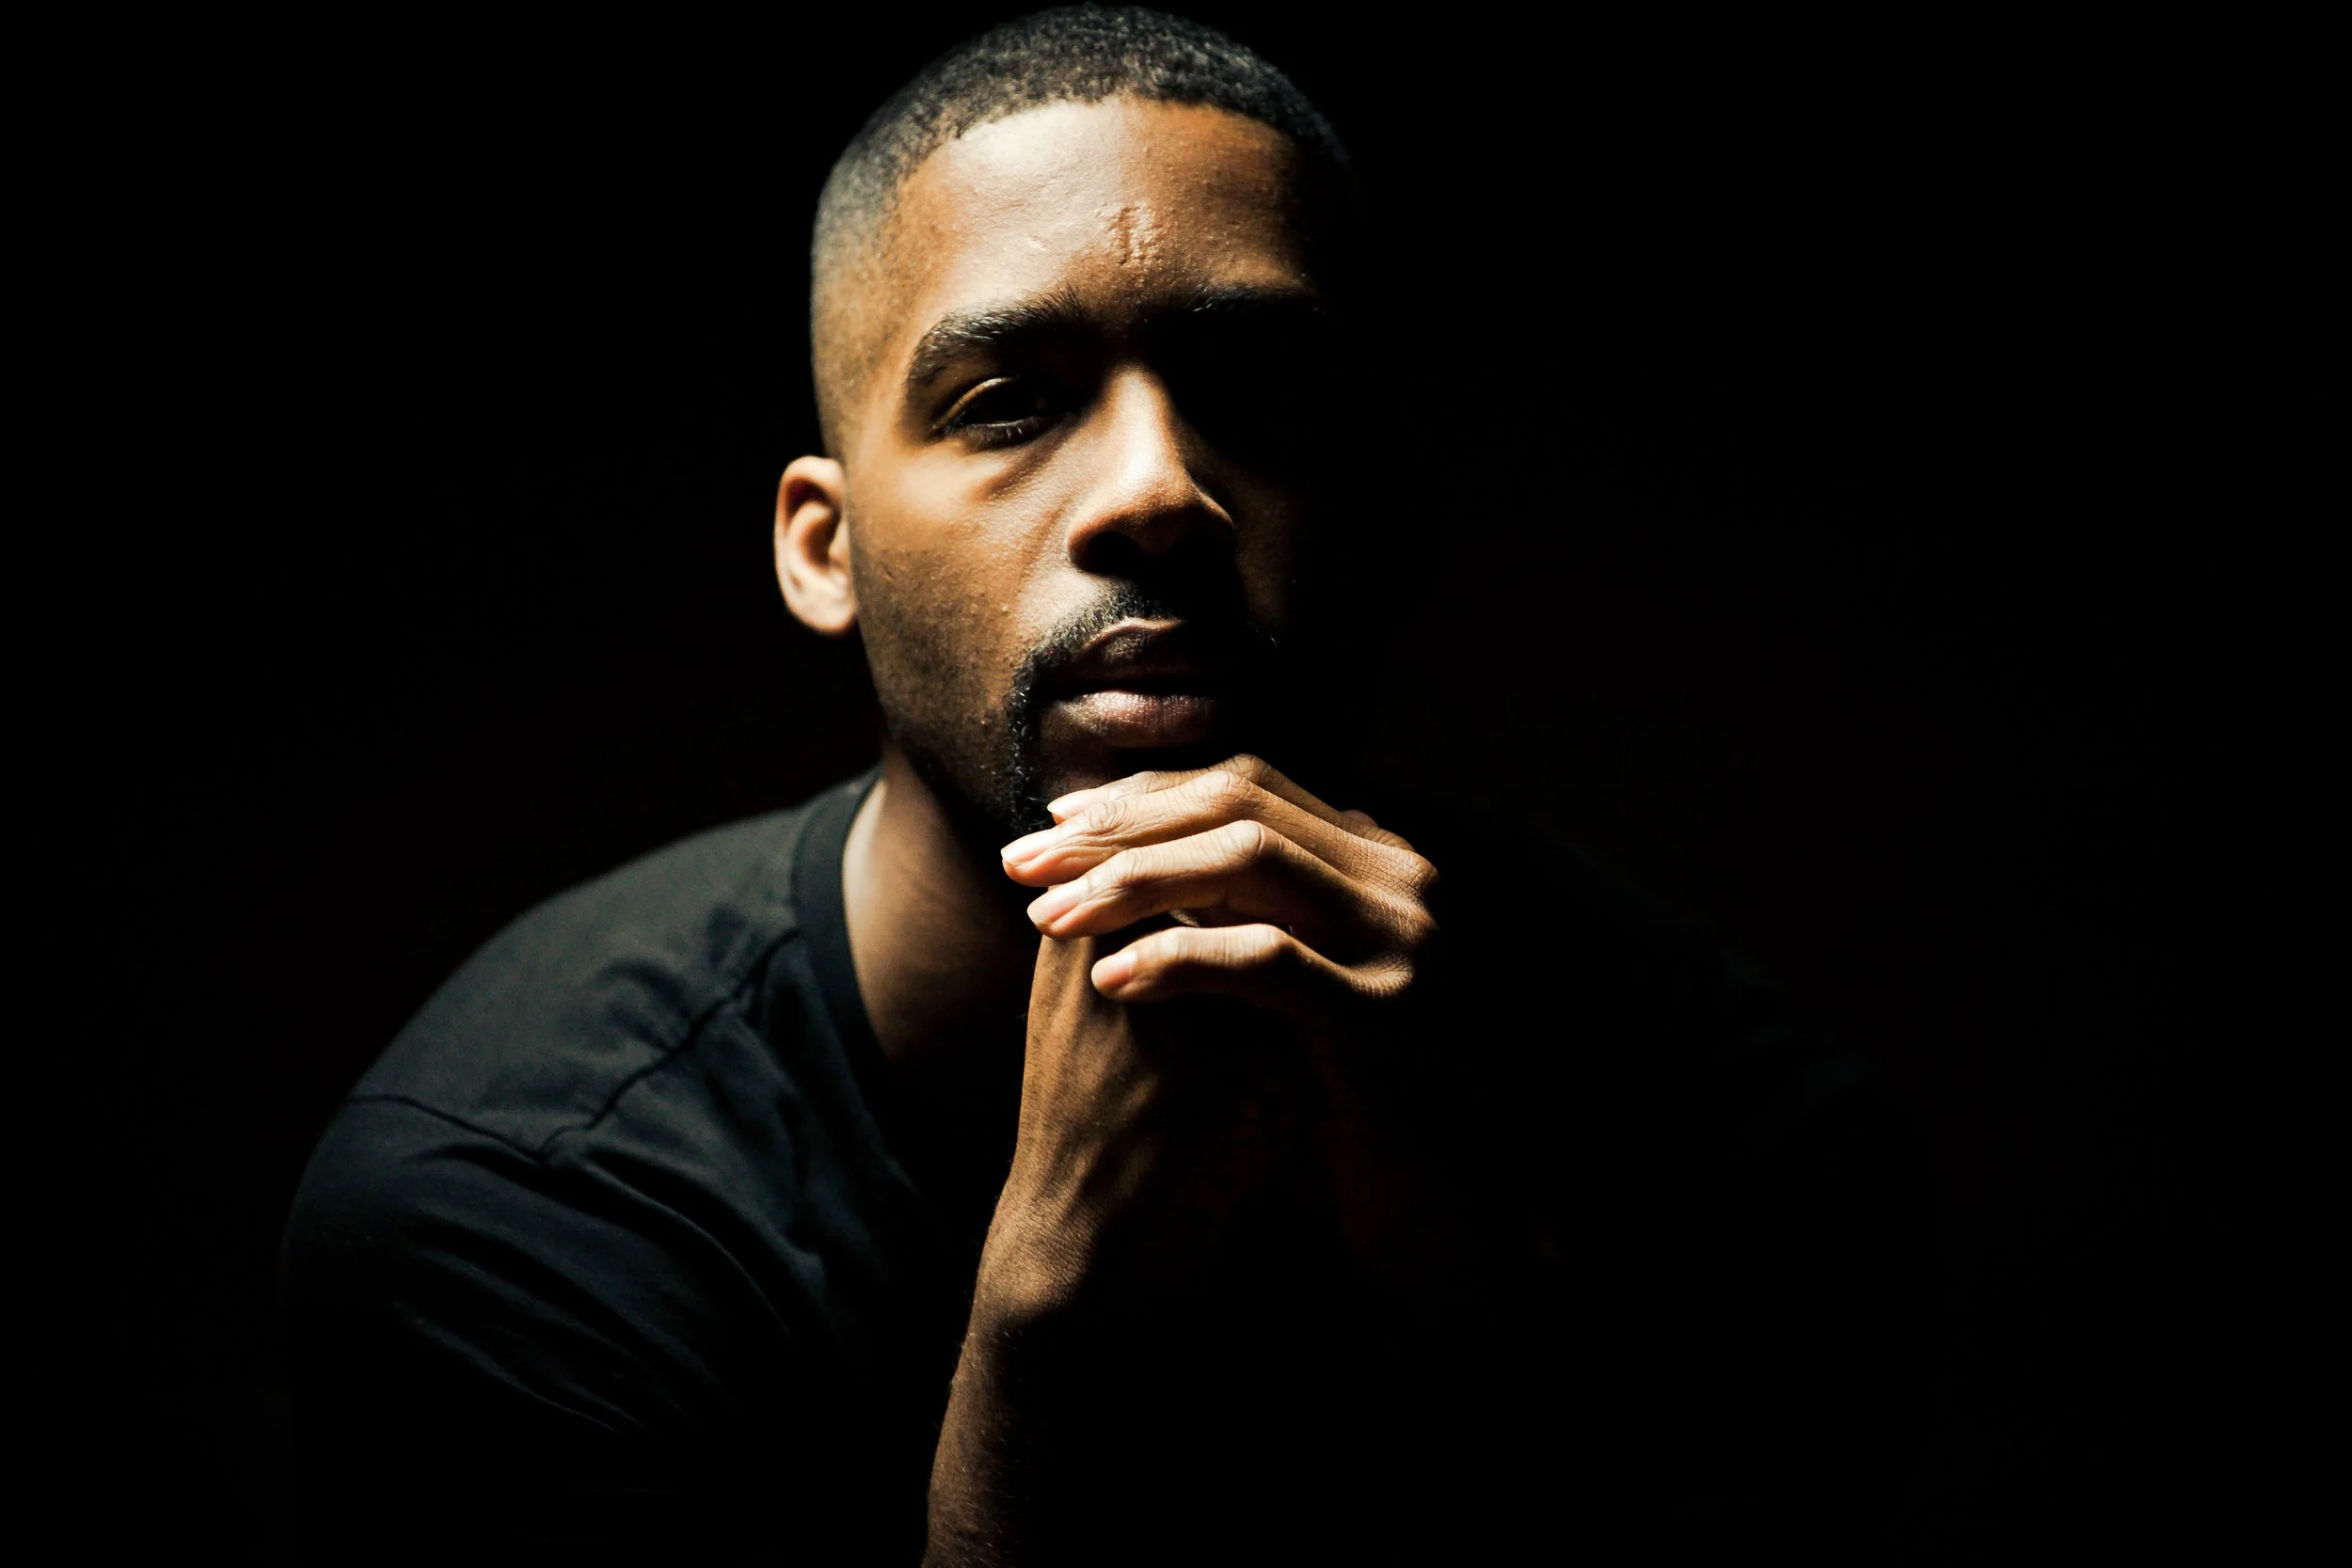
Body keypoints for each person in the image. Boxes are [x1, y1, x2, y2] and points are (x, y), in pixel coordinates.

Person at [283, 8, 1934, 1560]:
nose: (1157, 490)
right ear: (826, 545)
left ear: (1396, 512)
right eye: (1009, 402)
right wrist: (1044, 1344)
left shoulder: (1677, 1088)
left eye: (1260, 394)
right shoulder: (519, 1208)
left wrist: (1485, 1293)